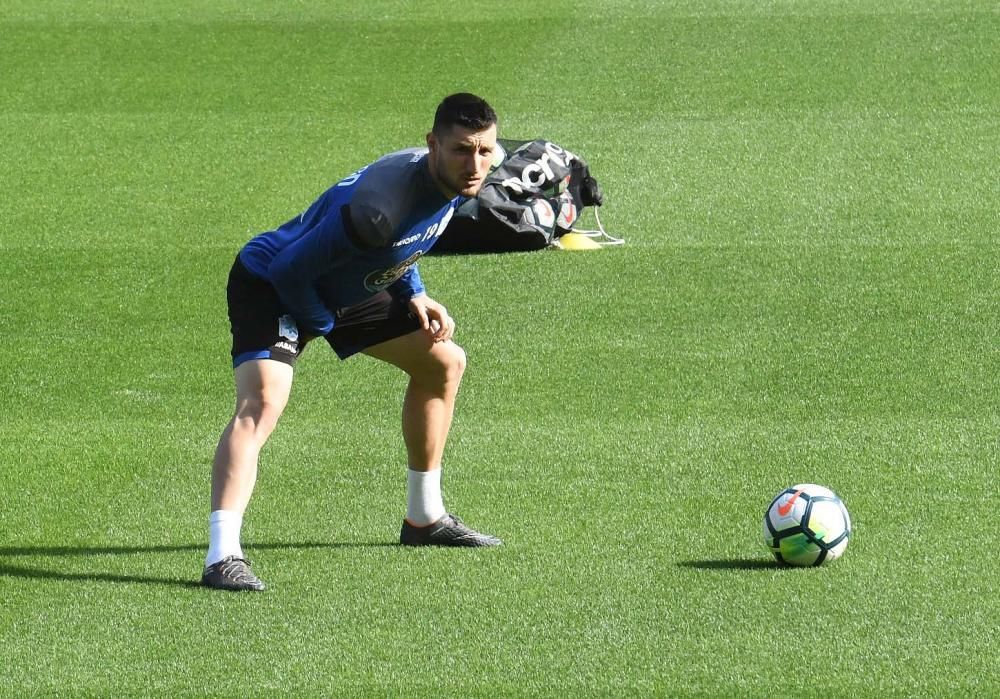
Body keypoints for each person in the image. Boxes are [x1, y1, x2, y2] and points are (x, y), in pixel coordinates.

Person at [202, 93, 502, 592]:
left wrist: (416, 293)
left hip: (346, 283)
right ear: (432, 145)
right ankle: (221, 556)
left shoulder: (453, 178)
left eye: (485, 152)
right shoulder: (379, 209)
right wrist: (321, 323)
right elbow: (289, 271)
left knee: (443, 363)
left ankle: (424, 518)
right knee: (262, 402)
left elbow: (409, 242)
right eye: (462, 150)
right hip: (274, 286)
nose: (475, 165)